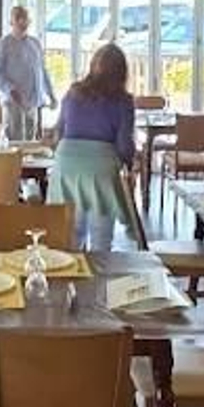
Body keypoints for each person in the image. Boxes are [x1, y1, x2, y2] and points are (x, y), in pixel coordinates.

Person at [49, 43, 138, 252]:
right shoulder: (123, 101)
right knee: (101, 239)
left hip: (67, 165)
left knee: (71, 236)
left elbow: (58, 132)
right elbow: (124, 144)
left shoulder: (73, 93)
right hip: (101, 168)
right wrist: (129, 163)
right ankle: (99, 277)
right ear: (122, 72)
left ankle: (70, 279)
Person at [0, 5, 54, 143]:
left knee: (30, 144)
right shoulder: (2, 45)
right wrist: (10, 89)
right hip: (13, 103)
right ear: (11, 21)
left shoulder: (35, 44)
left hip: (33, 103)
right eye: (18, 18)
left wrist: (51, 95)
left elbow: (42, 70)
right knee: (13, 143)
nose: (22, 21)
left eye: (25, 18)